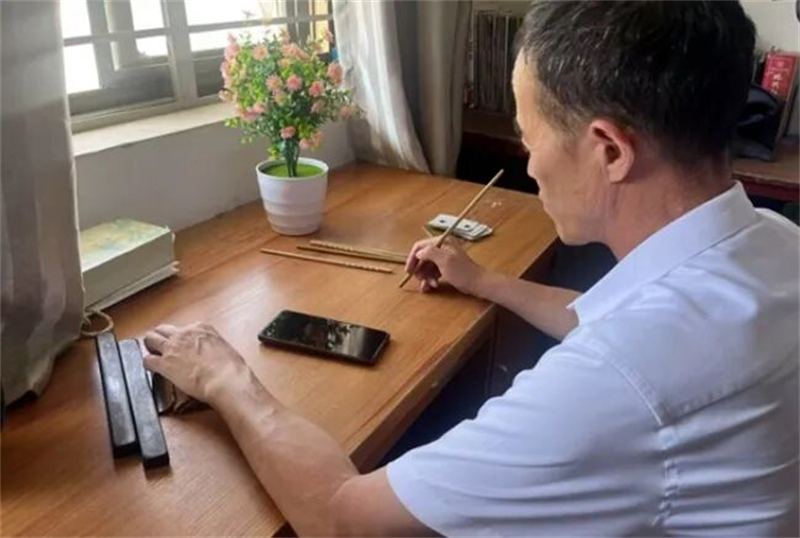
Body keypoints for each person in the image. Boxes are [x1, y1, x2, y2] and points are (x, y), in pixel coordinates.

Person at [143, 1, 799, 535]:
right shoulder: (773, 242)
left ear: (608, 150)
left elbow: (341, 518)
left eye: (530, 138)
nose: (530, 163)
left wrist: (227, 378)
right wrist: (483, 281)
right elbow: (613, 319)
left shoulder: (618, 381)